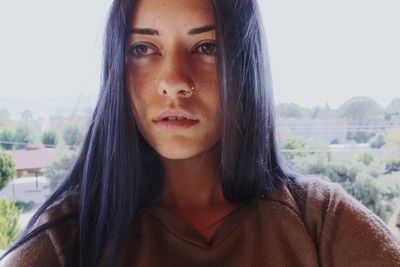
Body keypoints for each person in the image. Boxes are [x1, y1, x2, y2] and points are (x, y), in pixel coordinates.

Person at [1, 0, 400, 266]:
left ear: (245, 68)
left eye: (207, 46)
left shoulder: (320, 222)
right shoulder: (68, 238)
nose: (174, 81)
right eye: (143, 49)